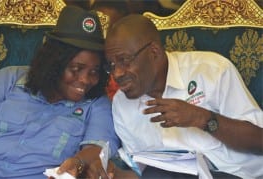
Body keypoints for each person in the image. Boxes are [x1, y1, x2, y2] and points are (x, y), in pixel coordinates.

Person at [0, 5, 120, 179]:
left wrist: (79, 161)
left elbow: (98, 150)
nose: (85, 80)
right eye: (75, 69)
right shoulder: (8, 79)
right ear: (54, 62)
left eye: (94, 72)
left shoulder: (96, 103)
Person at [104, 14, 263, 178]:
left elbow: (260, 140)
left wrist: (202, 118)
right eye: (111, 65)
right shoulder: (121, 104)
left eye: (124, 60)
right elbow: (138, 169)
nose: (117, 73)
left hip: (236, 174)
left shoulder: (211, 70)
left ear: (154, 52)